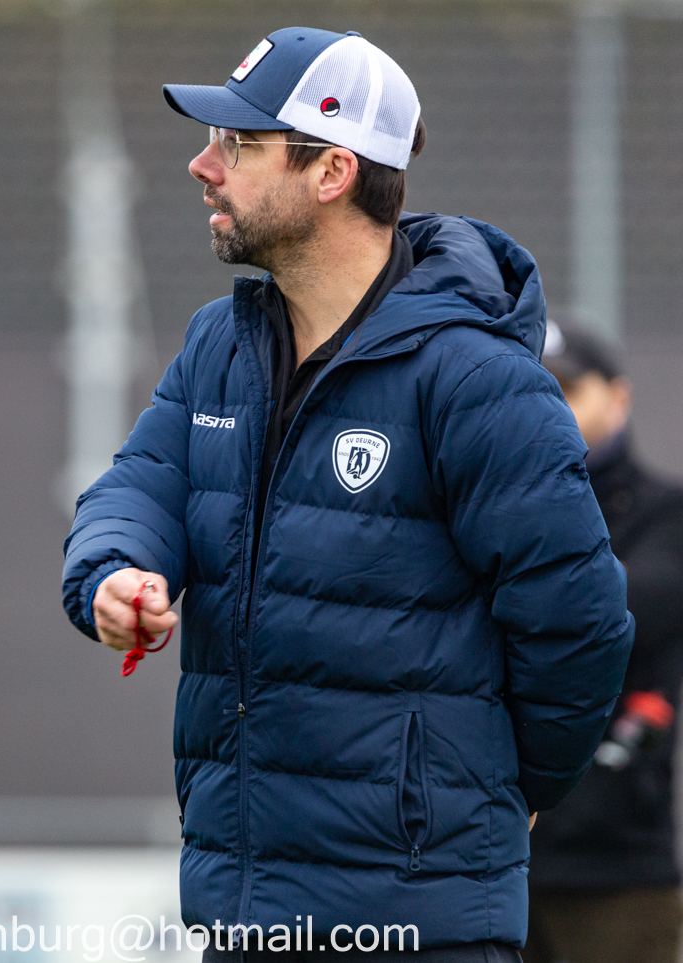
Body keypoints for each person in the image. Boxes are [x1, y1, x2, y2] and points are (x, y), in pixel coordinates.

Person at [61, 28, 634, 960]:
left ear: (332, 171)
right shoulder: (220, 344)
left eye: (239, 144)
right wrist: (115, 571)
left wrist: (498, 795)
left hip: (420, 925)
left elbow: (579, 622)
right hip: (242, 913)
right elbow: (140, 488)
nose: (203, 166)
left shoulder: (474, 377)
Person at [523, 321, 683, 963]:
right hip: (494, 857)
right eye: (536, 390)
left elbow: (616, 612)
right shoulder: (492, 505)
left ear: (618, 397)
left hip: (617, 863)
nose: (550, 406)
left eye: (566, 389)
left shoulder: (666, 513)